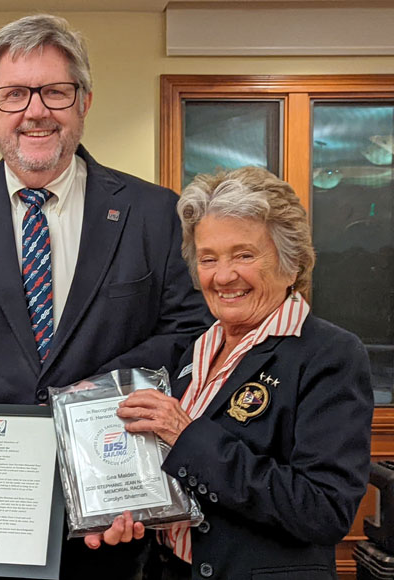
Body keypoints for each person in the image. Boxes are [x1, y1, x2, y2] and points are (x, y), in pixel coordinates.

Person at [0, 14, 211, 579]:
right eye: (13, 94)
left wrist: (89, 402)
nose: (35, 111)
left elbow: (189, 336)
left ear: (84, 102)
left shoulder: (154, 212)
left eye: (55, 91)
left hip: (109, 513)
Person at [96, 166, 373, 579]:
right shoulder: (194, 350)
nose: (223, 276)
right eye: (208, 259)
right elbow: (181, 479)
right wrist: (131, 510)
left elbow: (323, 510)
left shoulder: (329, 353)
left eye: (244, 255)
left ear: (292, 262)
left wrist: (185, 433)